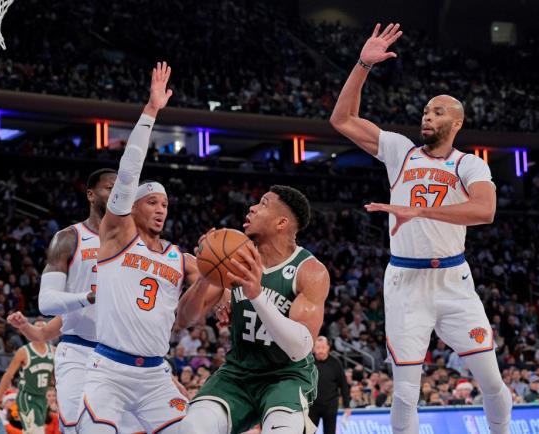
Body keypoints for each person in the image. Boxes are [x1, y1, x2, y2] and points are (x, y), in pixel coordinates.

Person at [330, 23, 512, 434]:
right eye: (426, 111)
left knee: (492, 380)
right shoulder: (400, 150)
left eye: (438, 111)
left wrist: (421, 212)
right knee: (405, 392)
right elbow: (342, 119)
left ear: (457, 123)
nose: (427, 116)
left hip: (453, 279)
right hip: (406, 281)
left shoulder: (469, 164)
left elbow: (485, 210)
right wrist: (362, 64)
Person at [76, 61, 201, 433]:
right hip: (109, 371)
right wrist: (150, 112)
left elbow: (213, 281)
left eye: (165, 204)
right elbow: (129, 174)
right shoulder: (115, 236)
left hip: (155, 374)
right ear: (131, 206)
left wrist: (225, 295)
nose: (161, 209)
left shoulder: (180, 257)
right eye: (152, 203)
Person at [177, 185, 330, 434]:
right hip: (238, 373)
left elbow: (300, 348)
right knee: (192, 428)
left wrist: (257, 296)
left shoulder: (310, 271)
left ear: (281, 223)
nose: (252, 208)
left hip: (286, 377)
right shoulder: (233, 257)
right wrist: (207, 274)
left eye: (263, 204)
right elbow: (184, 320)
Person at [8, 168, 147, 431]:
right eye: (109, 187)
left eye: (121, 188)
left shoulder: (137, 243)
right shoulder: (69, 237)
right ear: (91, 195)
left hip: (122, 353)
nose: (117, 192)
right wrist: (90, 296)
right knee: (76, 426)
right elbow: (46, 302)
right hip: (79, 350)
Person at [0, 320, 54, 434]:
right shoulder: (24, 351)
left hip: (42, 397)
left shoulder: (53, 350)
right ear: (31, 331)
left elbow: (54, 378)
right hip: (26, 397)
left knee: (38, 430)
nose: (40, 329)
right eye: (37, 327)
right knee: (34, 431)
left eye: (43, 327)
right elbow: (7, 376)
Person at [308, 336, 350, 434]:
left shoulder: (335, 363)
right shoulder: (309, 363)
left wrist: (347, 406)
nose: (320, 350)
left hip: (330, 406)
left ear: (328, 348)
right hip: (312, 406)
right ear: (313, 349)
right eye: (318, 348)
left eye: (323, 347)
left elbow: (343, 385)